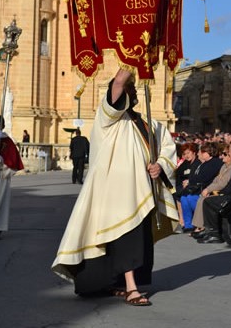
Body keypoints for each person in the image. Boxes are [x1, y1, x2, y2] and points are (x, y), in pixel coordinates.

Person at [52, 68, 178, 306]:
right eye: (124, 89)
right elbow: (118, 81)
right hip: (113, 192)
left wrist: (159, 166)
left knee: (132, 238)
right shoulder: (107, 117)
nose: (127, 90)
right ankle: (131, 288)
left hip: (140, 191)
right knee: (123, 237)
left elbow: (167, 150)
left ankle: (119, 283)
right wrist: (135, 54)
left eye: (131, 88)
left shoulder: (149, 123)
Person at [180, 142, 222, 232]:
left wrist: (189, 181)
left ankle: (200, 224)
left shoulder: (215, 162)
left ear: (208, 152)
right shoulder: (204, 163)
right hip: (198, 188)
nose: (200, 154)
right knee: (184, 198)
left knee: (191, 199)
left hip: (206, 189)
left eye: (202, 152)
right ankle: (188, 225)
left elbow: (204, 177)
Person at [0, 115, 24, 239]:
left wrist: (1, 161)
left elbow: (12, 158)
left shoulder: (6, 140)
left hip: (1, 175)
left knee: (0, 203)